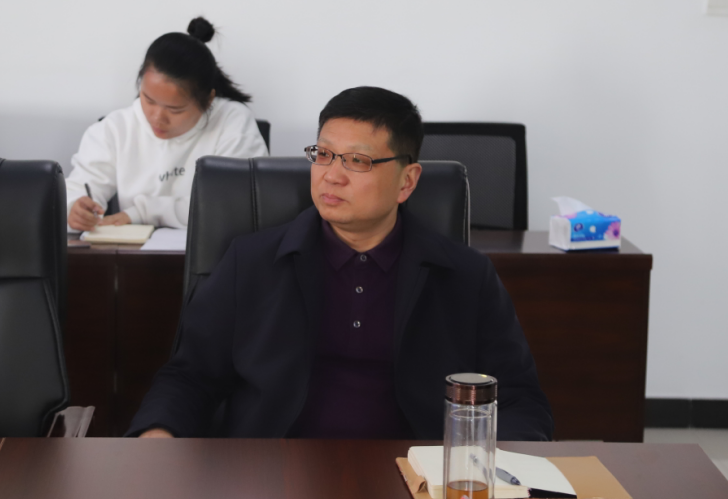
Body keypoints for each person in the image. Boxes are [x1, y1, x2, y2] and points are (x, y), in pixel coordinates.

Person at [127, 87, 553, 441]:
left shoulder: (465, 277)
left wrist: (491, 470)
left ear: (406, 181)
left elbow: (519, 400)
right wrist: (157, 435)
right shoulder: (251, 262)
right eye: (324, 154)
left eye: (358, 161)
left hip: (415, 480)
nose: (332, 175)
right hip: (271, 475)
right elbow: (190, 377)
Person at [66, 17, 268, 232]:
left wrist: (142, 212)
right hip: (134, 251)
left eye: (175, 110)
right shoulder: (115, 129)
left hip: (216, 250)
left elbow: (236, 203)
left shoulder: (232, 121)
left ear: (208, 100)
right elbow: (78, 189)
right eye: (148, 100)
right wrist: (75, 209)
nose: (157, 118)